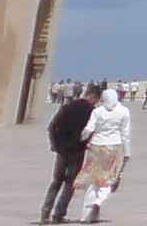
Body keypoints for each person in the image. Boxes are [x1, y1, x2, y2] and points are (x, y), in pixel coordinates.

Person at [75, 87, 132, 222]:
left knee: (92, 180)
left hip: (96, 147)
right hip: (113, 147)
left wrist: (81, 139)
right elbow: (125, 134)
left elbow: (89, 129)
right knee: (107, 179)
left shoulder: (97, 111)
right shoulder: (124, 111)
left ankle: (86, 215)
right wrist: (127, 152)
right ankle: (98, 202)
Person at [42, 83, 96, 223]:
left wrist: (54, 145)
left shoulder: (68, 106)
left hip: (62, 150)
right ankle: (58, 214)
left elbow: (52, 126)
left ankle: (45, 213)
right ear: (94, 97)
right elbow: (89, 132)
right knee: (70, 183)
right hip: (77, 152)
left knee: (56, 181)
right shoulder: (92, 111)